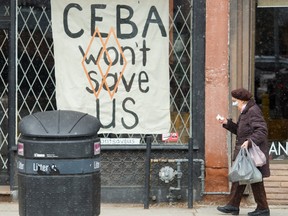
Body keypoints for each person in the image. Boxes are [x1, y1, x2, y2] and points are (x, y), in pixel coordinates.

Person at [216, 88, 270, 216]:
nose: (234, 104)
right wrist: (226, 123)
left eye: (235, 101)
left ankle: (261, 208)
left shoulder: (253, 111)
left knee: (252, 178)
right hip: (246, 153)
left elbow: (262, 130)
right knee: (242, 176)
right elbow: (241, 131)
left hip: (251, 152)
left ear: (242, 101)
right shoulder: (246, 112)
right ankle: (234, 205)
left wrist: (250, 141)